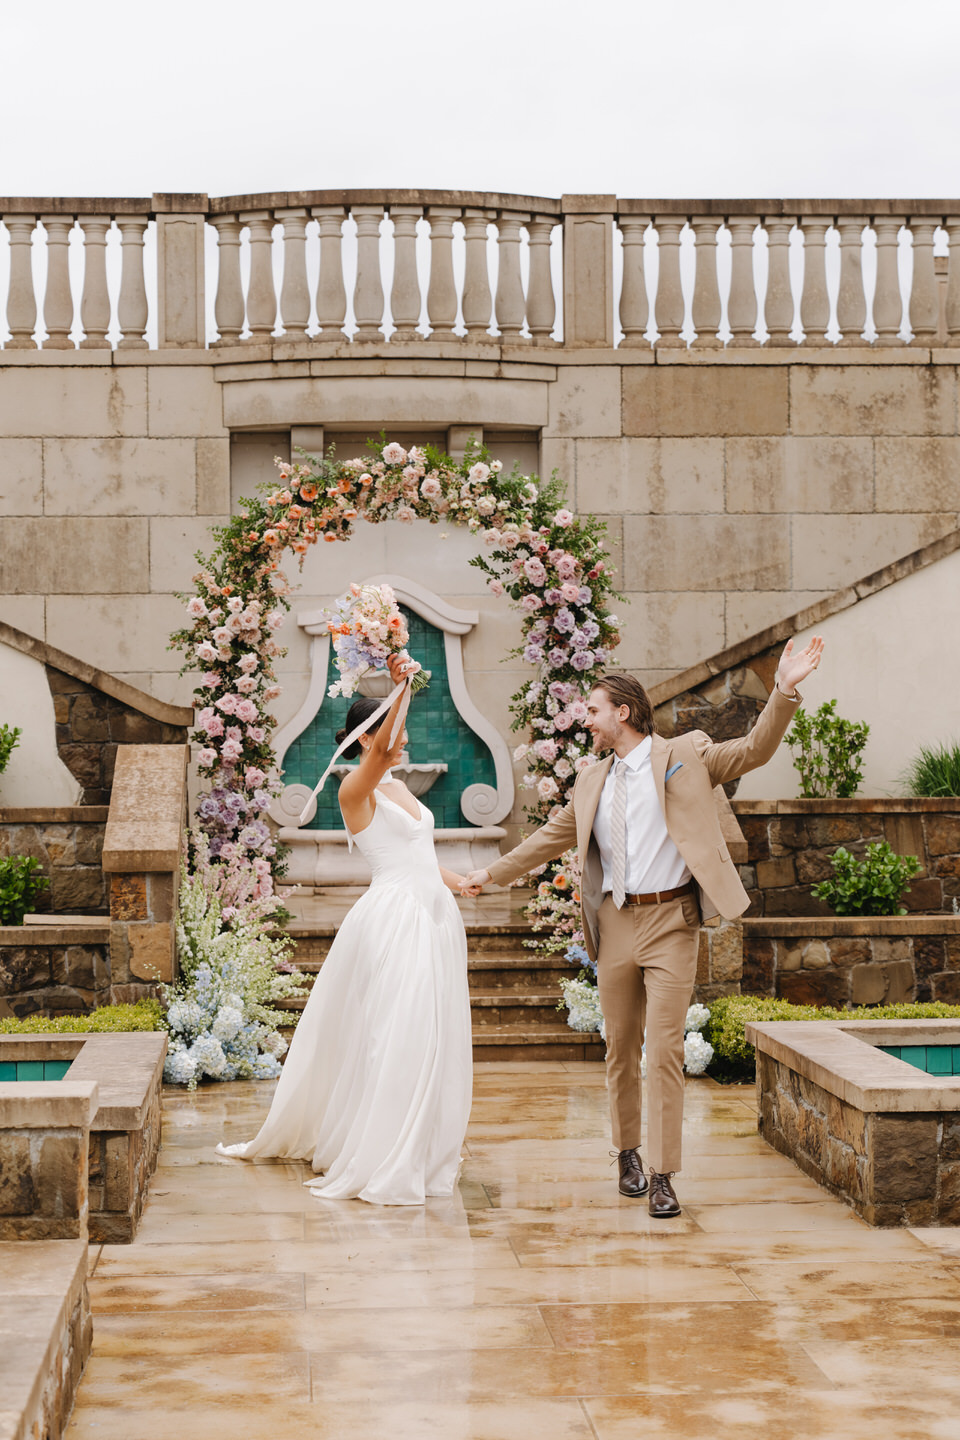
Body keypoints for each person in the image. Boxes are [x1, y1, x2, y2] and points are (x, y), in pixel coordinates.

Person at [463, 635, 825, 1217]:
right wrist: (489, 873)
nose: (587, 718)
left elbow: (755, 750)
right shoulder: (589, 781)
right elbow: (546, 840)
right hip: (614, 924)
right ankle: (627, 1151)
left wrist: (783, 688)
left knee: (663, 1051)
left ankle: (662, 1173)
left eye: (594, 709)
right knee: (619, 1049)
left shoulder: (688, 754)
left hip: (672, 921)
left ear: (623, 713)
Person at [216, 652, 473, 1205]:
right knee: (398, 1033)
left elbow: (418, 853)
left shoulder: (402, 788)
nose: (401, 737)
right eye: (389, 730)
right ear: (366, 737)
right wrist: (403, 686)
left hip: (432, 914)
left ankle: (420, 1142)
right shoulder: (356, 789)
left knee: (431, 1032)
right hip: (395, 919)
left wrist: (460, 882)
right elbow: (380, 755)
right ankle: (381, 1150)